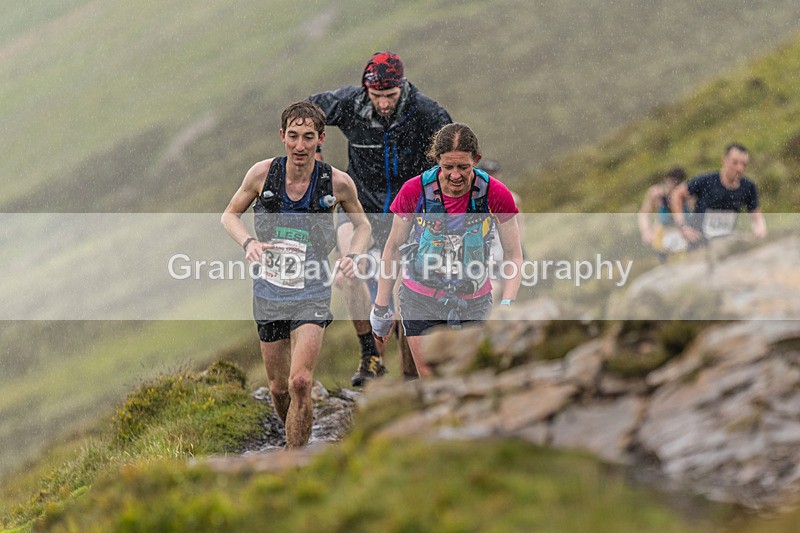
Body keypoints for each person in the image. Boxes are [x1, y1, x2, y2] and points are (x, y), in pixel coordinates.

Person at [221, 101, 370, 447]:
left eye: (307, 137)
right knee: (278, 387)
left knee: (300, 381)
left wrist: (352, 255)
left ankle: (295, 460)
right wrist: (249, 244)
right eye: (293, 136)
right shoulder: (261, 174)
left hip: (312, 290)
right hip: (269, 291)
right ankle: (290, 428)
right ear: (282, 136)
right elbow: (229, 215)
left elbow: (361, 225)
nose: (300, 146)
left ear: (321, 139)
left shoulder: (337, 183)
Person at [309, 51, 453, 385]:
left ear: (401, 86)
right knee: (348, 273)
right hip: (361, 211)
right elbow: (306, 111)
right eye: (377, 97)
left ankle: (409, 378)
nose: (384, 103)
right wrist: (317, 160)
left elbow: (453, 153)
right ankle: (371, 357)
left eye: (390, 96)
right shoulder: (349, 103)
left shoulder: (427, 113)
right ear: (366, 90)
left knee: (407, 297)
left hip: (411, 215)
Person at [370, 123, 523, 377]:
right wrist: (381, 306)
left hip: (475, 301)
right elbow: (393, 248)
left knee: (473, 377)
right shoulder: (414, 190)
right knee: (431, 379)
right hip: (419, 298)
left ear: (476, 160)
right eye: (447, 167)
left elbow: (514, 254)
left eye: (463, 167)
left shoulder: (496, 193)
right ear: (436, 159)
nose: (455, 175)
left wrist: (507, 302)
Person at [671, 143, 767, 246]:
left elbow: (755, 214)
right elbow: (676, 194)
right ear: (724, 160)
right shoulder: (706, 181)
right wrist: (682, 226)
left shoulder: (748, 187)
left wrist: (760, 231)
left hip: (725, 244)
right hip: (698, 243)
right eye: (735, 163)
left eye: (744, 164)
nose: (739, 168)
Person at [476, 158, 527, 304]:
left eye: (493, 173)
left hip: (502, 248)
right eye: (487, 173)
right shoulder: (475, 198)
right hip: (486, 250)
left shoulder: (511, 198)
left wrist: (519, 246)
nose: (491, 177)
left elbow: (519, 224)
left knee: (502, 287)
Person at [637, 166, 689, 262]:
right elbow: (643, 213)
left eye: (677, 184)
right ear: (667, 180)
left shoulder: (685, 192)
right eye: (672, 183)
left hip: (682, 231)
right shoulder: (656, 193)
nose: (673, 187)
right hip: (663, 231)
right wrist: (646, 231)